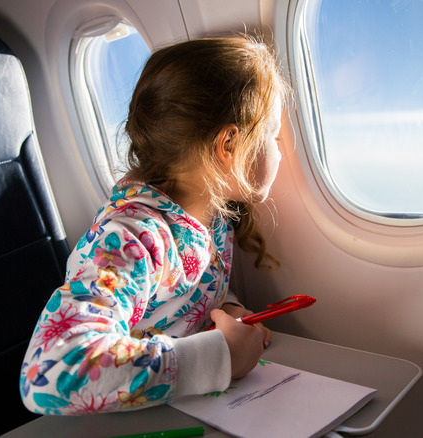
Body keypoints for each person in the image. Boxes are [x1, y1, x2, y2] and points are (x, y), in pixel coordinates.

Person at [20, 35, 290, 415]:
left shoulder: (209, 221)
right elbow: (50, 373)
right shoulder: (132, 238)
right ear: (229, 144)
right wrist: (219, 357)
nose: (280, 149)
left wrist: (226, 311)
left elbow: (177, 304)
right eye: (274, 135)